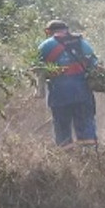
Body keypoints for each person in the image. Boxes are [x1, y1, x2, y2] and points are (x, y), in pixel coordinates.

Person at [37, 19, 99, 150]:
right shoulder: (81, 42)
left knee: (62, 129)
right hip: (83, 93)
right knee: (86, 126)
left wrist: (40, 91)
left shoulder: (45, 46)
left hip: (59, 95)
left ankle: (69, 162)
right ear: (66, 30)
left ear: (48, 31)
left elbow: (38, 70)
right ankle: (90, 158)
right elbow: (95, 65)